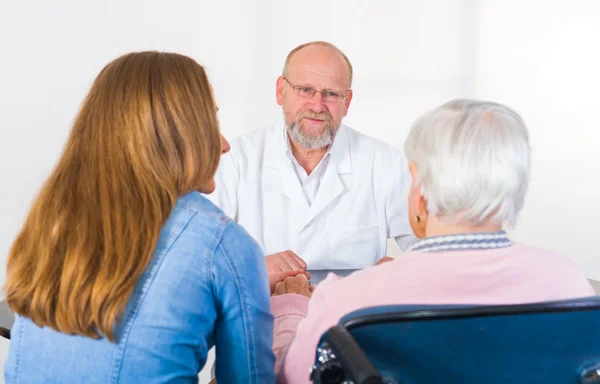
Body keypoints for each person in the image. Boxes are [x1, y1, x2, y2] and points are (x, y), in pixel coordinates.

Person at [269, 99, 595, 383]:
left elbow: (284, 378)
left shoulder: (346, 300)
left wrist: (290, 309)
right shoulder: (569, 284)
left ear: (419, 187)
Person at [3, 51, 275, 383]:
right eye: (210, 122)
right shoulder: (221, 241)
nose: (224, 144)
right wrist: (290, 309)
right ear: (182, 133)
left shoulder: (53, 221)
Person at [207, 41, 417, 283]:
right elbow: (200, 255)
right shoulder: (236, 158)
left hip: (349, 313)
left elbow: (430, 243)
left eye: (331, 94)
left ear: (346, 102)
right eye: (305, 90)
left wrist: (401, 267)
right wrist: (253, 268)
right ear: (280, 91)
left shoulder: (385, 164)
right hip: (264, 311)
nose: (317, 106)